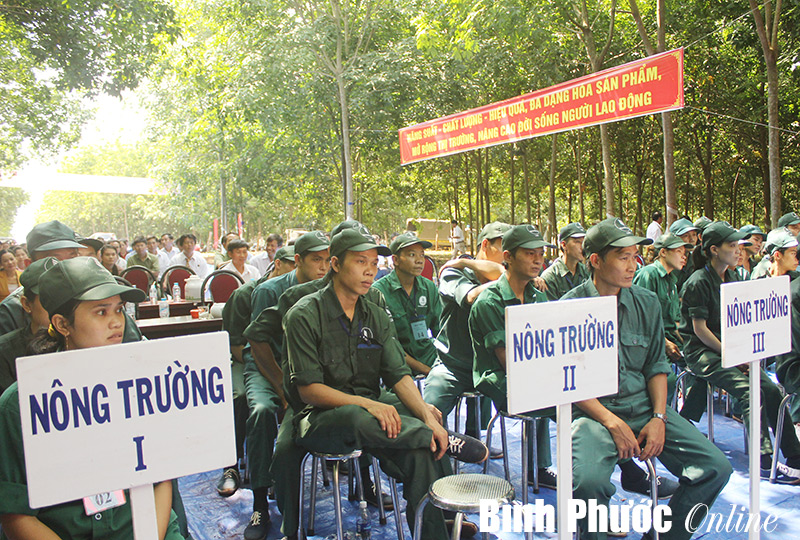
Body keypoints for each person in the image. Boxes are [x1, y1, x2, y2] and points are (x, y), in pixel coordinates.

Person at [283, 227, 486, 540]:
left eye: (374, 264)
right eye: (360, 262)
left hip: (375, 413)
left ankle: (433, 530)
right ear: (335, 264)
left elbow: (398, 374)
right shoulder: (305, 314)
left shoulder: (375, 315)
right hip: (322, 418)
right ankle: (433, 436)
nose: (369, 271)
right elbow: (309, 390)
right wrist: (371, 404)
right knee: (362, 416)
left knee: (425, 442)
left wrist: (425, 414)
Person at [564, 218, 732, 540]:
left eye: (634, 256)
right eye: (623, 257)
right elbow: (565, 384)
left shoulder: (646, 302)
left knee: (715, 467)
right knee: (589, 483)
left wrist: (658, 417)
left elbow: (656, 365)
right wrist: (612, 422)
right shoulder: (568, 308)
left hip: (642, 406)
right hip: (593, 414)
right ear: (596, 261)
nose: (632, 265)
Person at [0, 256, 185, 540]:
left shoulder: (145, 386)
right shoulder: (20, 405)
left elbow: (161, 481)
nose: (116, 324)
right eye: (101, 312)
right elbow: (15, 513)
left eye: (119, 311)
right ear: (63, 324)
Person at [679, 221, 800, 482]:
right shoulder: (697, 282)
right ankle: (764, 459)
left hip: (733, 350)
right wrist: (734, 355)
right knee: (749, 392)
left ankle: (794, 454)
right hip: (703, 353)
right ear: (713, 250)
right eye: (732, 246)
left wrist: (744, 353)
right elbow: (700, 331)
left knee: (771, 391)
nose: (739, 251)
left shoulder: (733, 277)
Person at [237, 231, 331, 539]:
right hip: (268, 368)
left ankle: (363, 484)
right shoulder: (270, 291)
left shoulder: (328, 289)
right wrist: (282, 388)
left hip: (304, 371)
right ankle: (260, 503)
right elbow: (258, 345)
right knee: (263, 411)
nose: (322, 267)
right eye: (315, 260)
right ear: (297, 261)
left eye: (327, 260)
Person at [468, 224, 558, 487]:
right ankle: (568, 477)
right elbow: (509, 363)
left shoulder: (537, 297)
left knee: (578, 397)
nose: (538, 260)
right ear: (507, 257)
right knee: (569, 404)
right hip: (499, 378)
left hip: (532, 374)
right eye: (530, 254)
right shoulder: (490, 302)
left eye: (541, 253)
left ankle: (546, 469)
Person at [633, 234, 707, 423]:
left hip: (669, 338)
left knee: (707, 366)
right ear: (663, 252)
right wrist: (664, 343)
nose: (684, 256)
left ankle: (685, 420)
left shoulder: (672, 280)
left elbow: (674, 322)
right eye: (679, 251)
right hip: (649, 340)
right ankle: (656, 421)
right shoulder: (648, 275)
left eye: (686, 252)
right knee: (668, 379)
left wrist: (688, 341)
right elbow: (639, 318)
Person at [371, 232, 442, 376]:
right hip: (396, 364)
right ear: (395, 260)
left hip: (429, 357)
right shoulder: (378, 292)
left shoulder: (429, 287)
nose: (419, 260)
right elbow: (389, 347)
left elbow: (440, 331)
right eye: (411, 255)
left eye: (422, 255)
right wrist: (426, 370)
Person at [0, 258, 55, 395]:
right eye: (48, 298)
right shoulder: (4, 352)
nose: (59, 306)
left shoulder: (81, 342)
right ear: (26, 304)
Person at [540, 222, 590, 301]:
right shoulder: (551, 277)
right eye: (577, 242)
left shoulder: (587, 272)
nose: (582, 247)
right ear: (564, 245)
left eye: (584, 242)